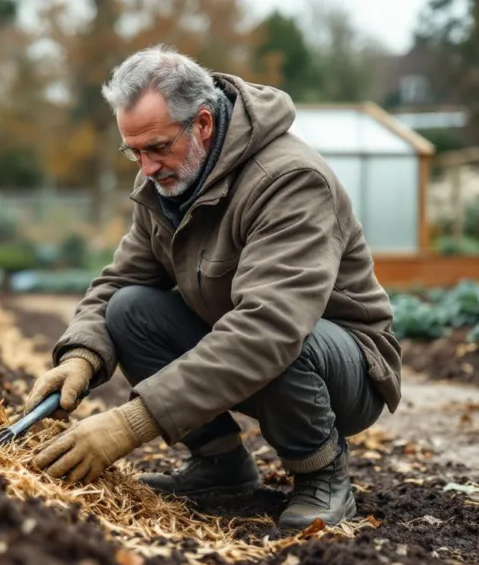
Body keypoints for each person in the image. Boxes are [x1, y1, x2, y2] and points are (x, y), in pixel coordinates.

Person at [24, 45, 401, 531]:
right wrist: (81, 356)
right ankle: (219, 464)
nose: (147, 167)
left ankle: (322, 475)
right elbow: (121, 279)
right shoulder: (169, 181)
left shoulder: (289, 180)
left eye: (157, 147)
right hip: (249, 349)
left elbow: (269, 327)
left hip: (342, 367)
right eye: (134, 151)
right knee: (128, 309)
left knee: (282, 335)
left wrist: (129, 424)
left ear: (202, 123)